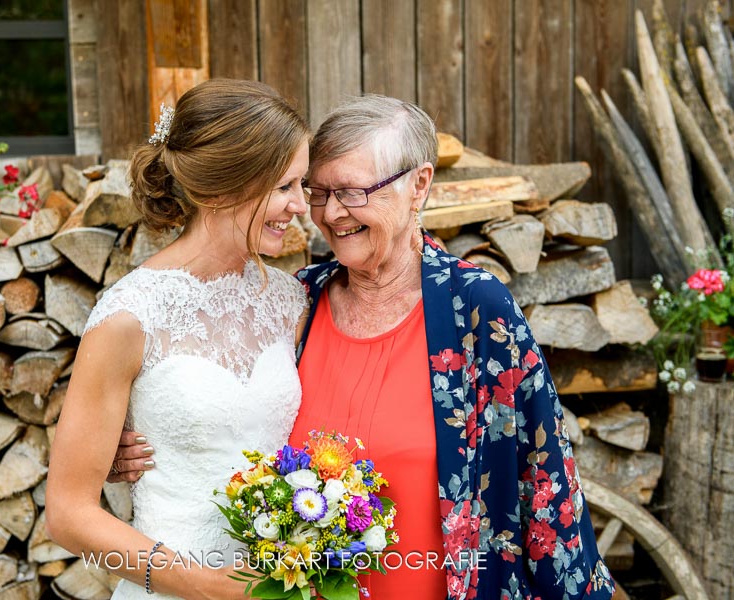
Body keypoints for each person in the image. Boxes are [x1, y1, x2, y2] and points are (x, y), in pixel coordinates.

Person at [114, 94, 616, 599]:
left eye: (353, 192)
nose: (330, 214)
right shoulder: (296, 300)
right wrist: (140, 435)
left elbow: (545, 478)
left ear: (418, 185)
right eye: (317, 191)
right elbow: (230, 413)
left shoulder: (476, 311)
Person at [44, 78, 311, 599]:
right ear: (221, 187)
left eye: (302, 186)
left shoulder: (290, 302)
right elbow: (67, 514)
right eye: (284, 187)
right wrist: (209, 586)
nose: (301, 205)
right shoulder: (128, 316)